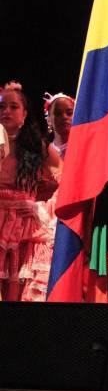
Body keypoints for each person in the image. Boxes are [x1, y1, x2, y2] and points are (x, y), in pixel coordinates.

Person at [0, 82, 61, 301]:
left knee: (19, 293)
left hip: (25, 230)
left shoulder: (38, 147)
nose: (6, 111)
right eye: (1, 106)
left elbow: (66, 181)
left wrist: (40, 209)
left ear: (24, 114)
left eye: (13, 106)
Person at [43, 92, 75, 159]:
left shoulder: (85, 147)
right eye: (58, 114)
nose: (64, 117)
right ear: (48, 120)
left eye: (69, 113)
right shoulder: (45, 153)